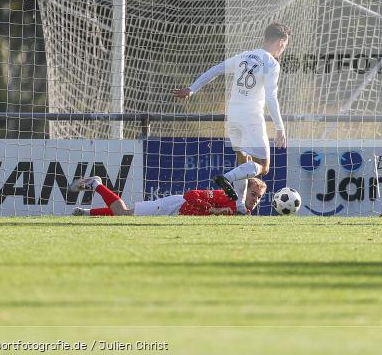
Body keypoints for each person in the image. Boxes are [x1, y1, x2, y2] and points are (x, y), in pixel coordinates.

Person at [174, 22, 290, 204]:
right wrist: (280, 128)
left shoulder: (243, 56)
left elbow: (216, 69)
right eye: (285, 45)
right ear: (281, 42)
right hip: (251, 117)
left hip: (233, 115)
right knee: (264, 167)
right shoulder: (271, 63)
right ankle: (227, 177)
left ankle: (240, 207)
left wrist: (192, 88)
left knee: (244, 162)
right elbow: (271, 96)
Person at [70, 175, 266, 216]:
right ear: (244, 191)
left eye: (258, 197)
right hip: (174, 206)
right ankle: (96, 184)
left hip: (176, 216)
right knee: (123, 214)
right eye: (253, 194)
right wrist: (213, 209)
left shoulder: (241, 214)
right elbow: (190, 195)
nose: (255, 200)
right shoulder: (227, 198)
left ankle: (85, 213)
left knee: (127, 215)